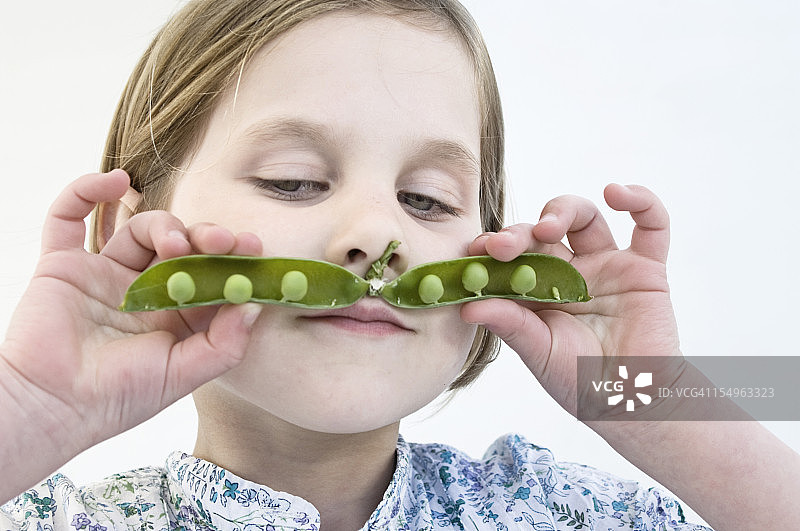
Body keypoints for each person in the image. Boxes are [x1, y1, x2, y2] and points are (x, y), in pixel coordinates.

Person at [1, 0, 797, 529]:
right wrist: (32, 404)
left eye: (427, 199)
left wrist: (652, 397)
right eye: (293, 181)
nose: (377, 233)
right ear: (138, 232)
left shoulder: (557, 511)